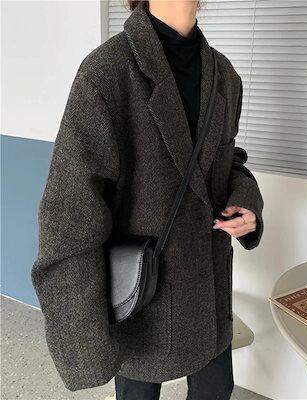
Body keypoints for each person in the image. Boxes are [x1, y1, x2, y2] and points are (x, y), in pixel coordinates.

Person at [31, 1, 264, 399]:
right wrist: (86, 346)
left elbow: (229, 160)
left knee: (216, 391)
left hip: (209, 295)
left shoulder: (225, 77)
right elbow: (69, 217)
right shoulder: (107, 73)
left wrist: (246, 199)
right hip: (144, 298)